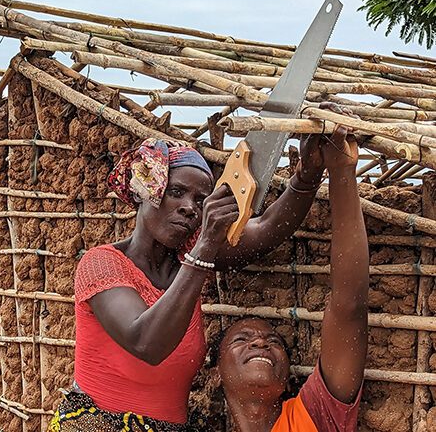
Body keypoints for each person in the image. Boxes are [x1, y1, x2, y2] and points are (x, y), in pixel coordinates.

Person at [49, 116, 338, 431]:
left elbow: (267, 231)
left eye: (201, 201)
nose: (190, 207)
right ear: (148, 190)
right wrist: (203, 248)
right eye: (176, 192)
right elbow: (146, 343)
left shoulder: (190, 259)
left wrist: (308, 174)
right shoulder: (102, 263)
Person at [210, 121, 367, 432]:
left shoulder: (313, 417)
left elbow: (349, 306)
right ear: (216, 373)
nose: (259, 343)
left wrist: (341, 173)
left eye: (274, 342)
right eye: (241, 340)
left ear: (288, 377)